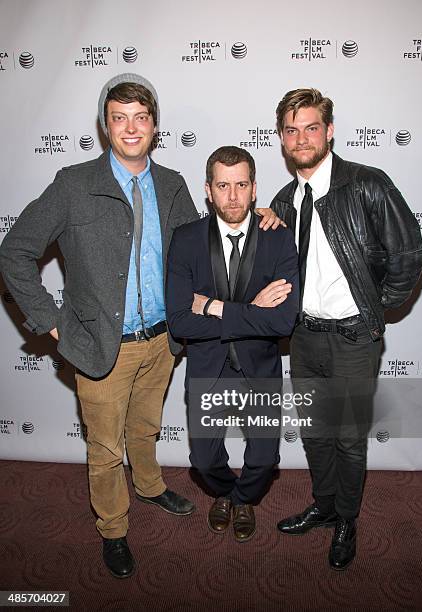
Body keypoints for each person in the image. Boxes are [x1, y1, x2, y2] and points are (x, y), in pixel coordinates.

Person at [0, 73, 282, 578]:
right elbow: (14, 253)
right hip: (101, 345)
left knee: (145, 427)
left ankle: (151, 486)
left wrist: (255, 214)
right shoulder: (73, 184)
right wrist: (54, 326)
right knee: (106, 449)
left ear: (155, 125)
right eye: (119, 118)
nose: (130, 128)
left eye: (140, 117)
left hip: (162, 341)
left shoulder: (172, 184)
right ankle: (113, 528)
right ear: (105, 125)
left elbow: (207, 244)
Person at [271, 88, 422, 570]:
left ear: (330, 131)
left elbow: (409, 257)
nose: (302, 138)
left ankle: (348, 520)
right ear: (281, 138)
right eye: (292, 130)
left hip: (353, 337)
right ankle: (324, 504)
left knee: (347, 436)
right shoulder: (285, 198)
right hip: (304, 335)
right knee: (316, 432)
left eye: (311, 127)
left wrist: (372, 312)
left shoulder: (367, 184)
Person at [166, 146, 298, 542]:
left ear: (255, 188)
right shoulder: (186, 239)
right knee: (203, 460)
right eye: (223, 186)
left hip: (260, 367)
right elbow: (179, 320)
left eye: (241, 185)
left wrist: (213, 307)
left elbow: (282, 320)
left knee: (265, 458)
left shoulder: (278, 239)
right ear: (208, 190)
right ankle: (225, 492)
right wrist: (249, 310)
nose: (233, 196)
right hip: (209, 366)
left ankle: (242, 500)